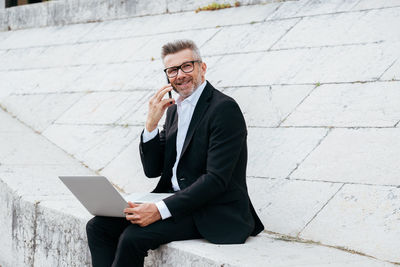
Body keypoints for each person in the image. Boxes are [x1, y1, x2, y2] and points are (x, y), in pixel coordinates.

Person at [86, 39, 264, 267]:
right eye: (172, 70)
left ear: (202, 67)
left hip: (213, 209)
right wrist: (150, 125)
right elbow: (153, 170)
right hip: (173, 200)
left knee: (133, 237)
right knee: (97, 226)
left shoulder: (224, 109)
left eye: (186, 66)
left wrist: (159, 211)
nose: (179, 75)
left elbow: (216, 180)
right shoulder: (173, 111)